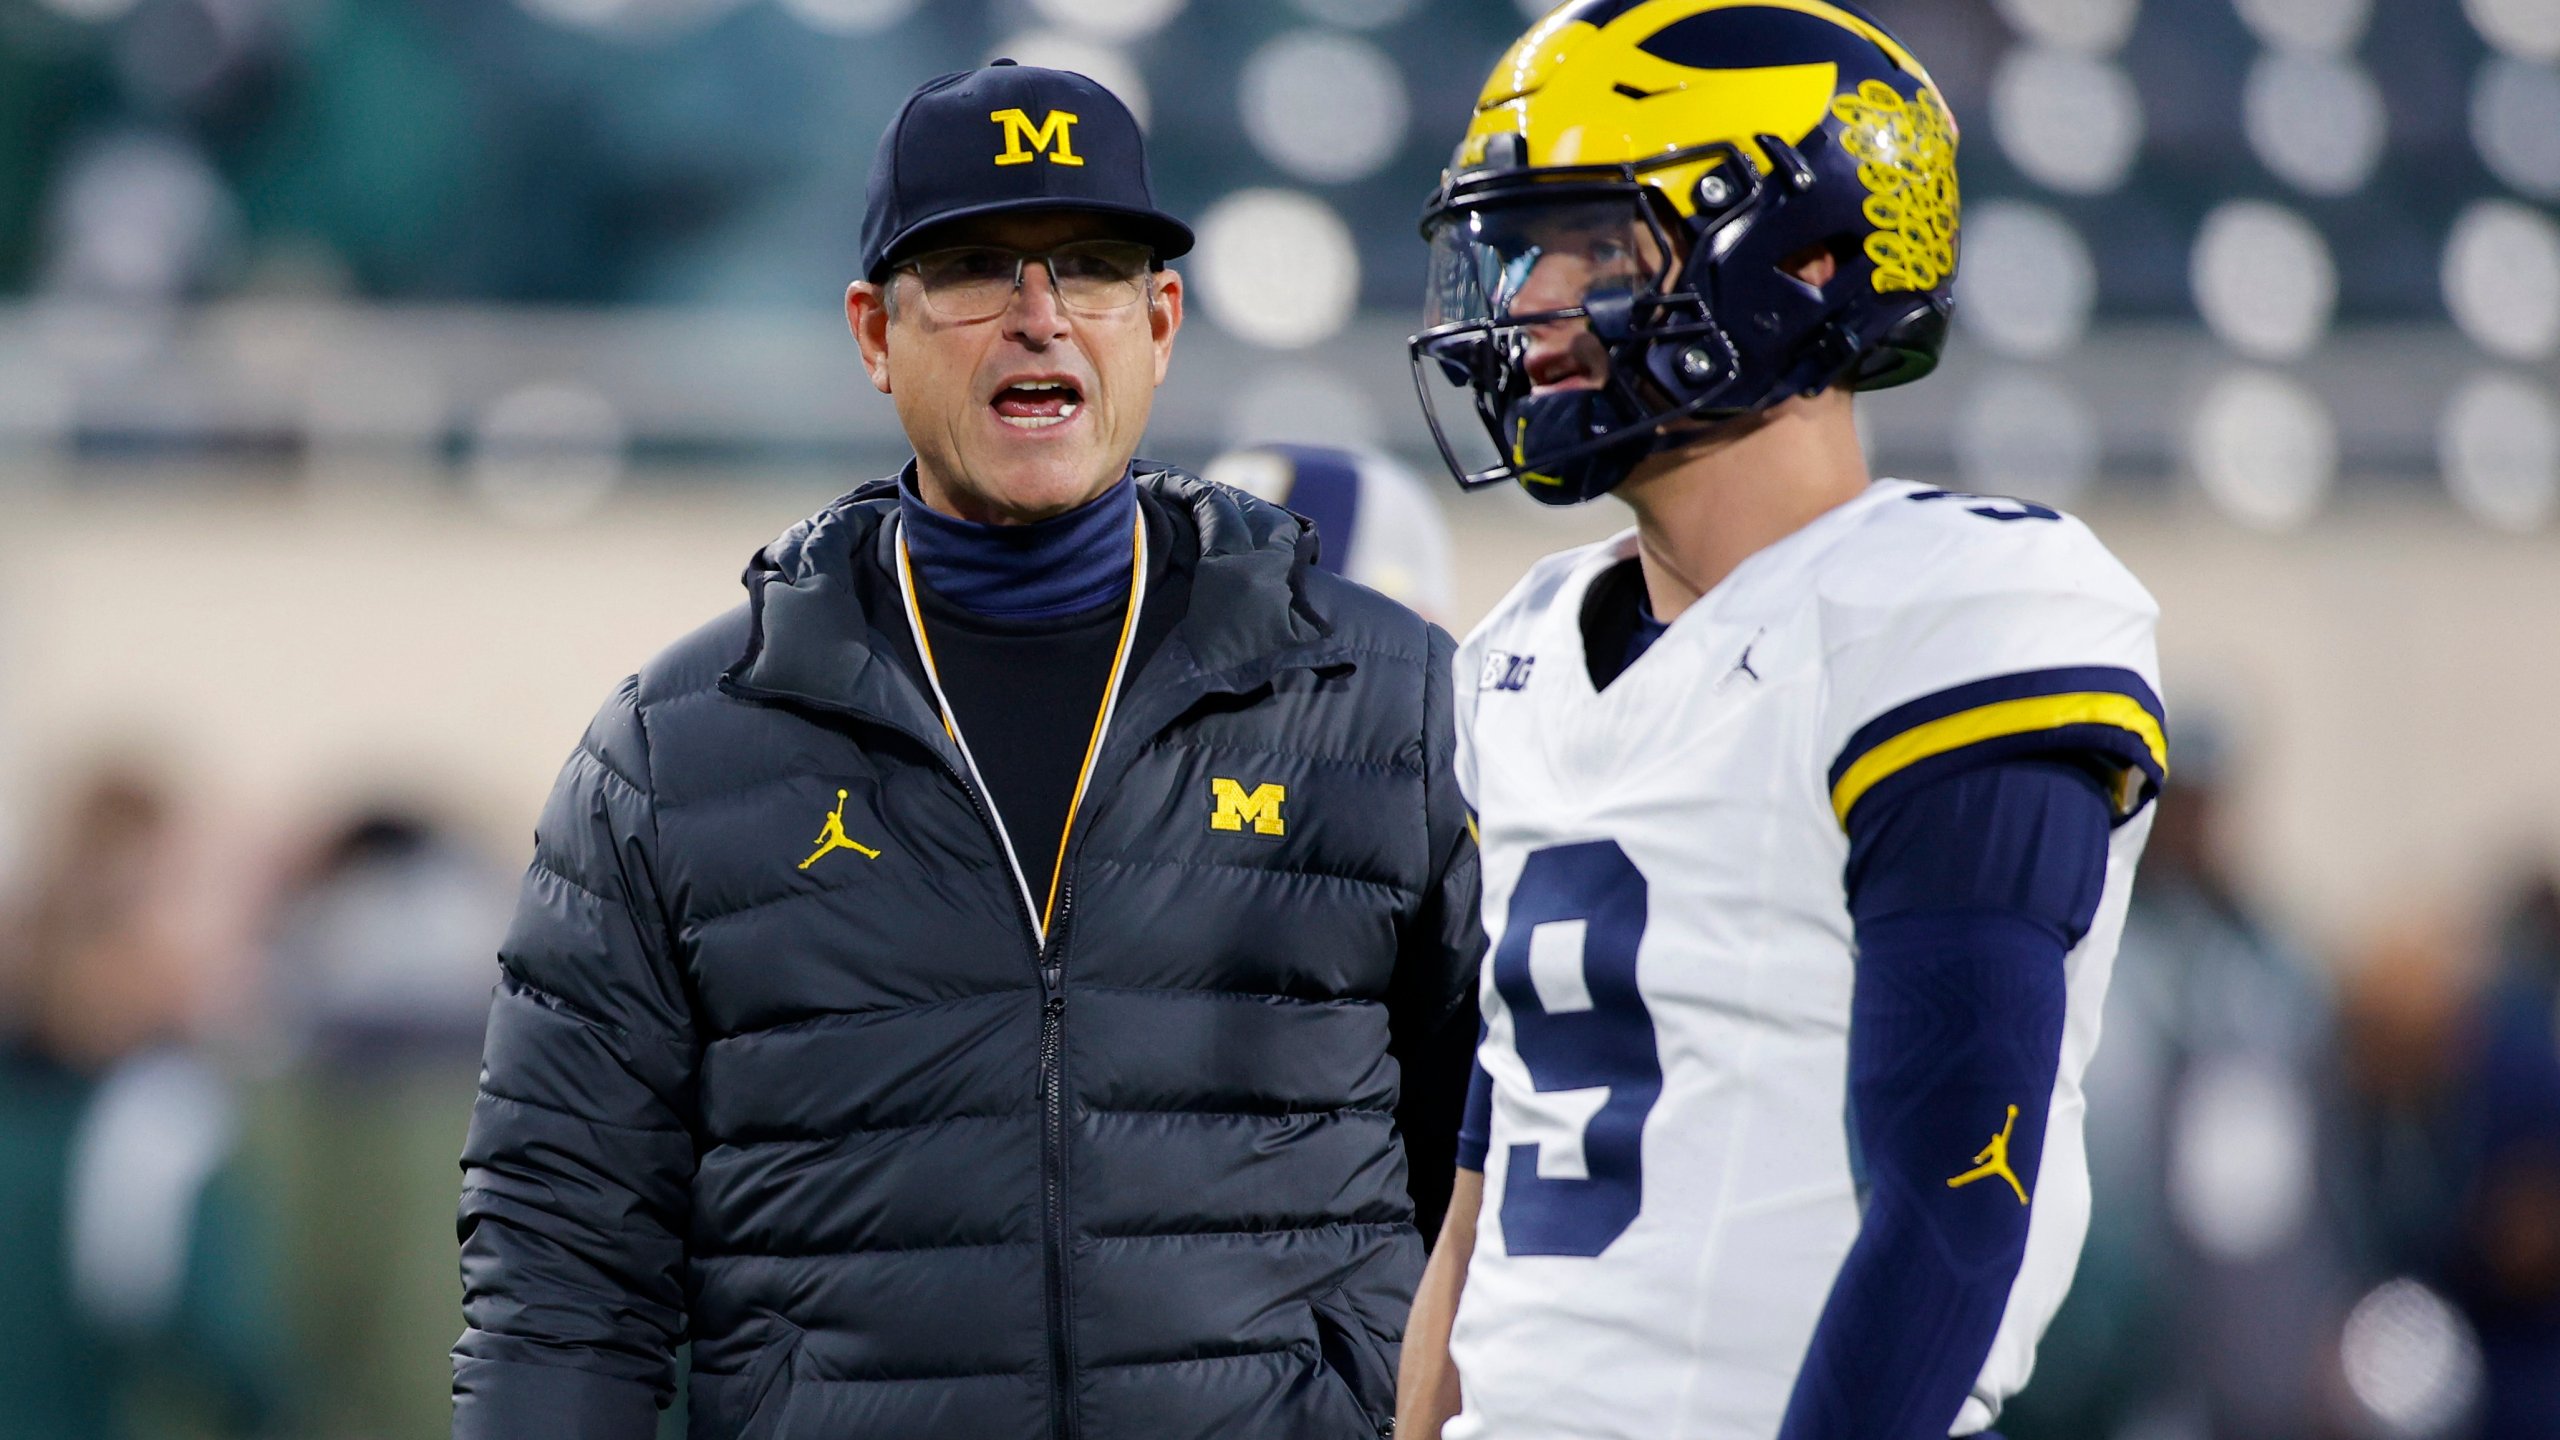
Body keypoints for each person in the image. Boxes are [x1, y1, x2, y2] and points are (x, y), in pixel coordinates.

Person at [452, 60, 1482, 1440]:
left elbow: (1522, 1196)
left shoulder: (1386, 703)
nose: (1040, 316)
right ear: (875, 332)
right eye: (978, 267)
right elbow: (561, 1270)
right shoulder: (679, 754)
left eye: (1094, 267)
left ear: (1161, 322)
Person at [1394, 5, 2165, 1439]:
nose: (1533, 300)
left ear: (1806, 253)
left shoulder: (1952, 615)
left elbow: (1952, 1200)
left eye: (1597, 243)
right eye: (1520, 246)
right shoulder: (1519, 661)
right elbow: (1486, 1199)